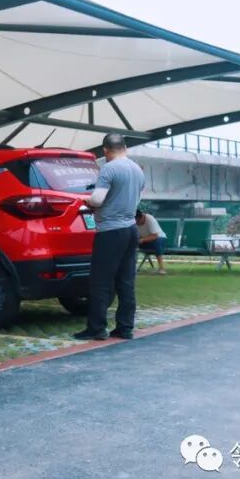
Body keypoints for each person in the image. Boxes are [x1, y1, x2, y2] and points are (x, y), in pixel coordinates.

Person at [73, 133, 145, 341]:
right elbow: (137, 199)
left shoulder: (108, 168)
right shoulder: (137, 170)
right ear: (125, 148)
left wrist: (87, 201)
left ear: (105, 150)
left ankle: (96, 328)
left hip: (110, 231)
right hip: (131, 229)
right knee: (126, 281)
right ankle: (125, 327)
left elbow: (97, 199)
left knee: (101, 282)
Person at [135, 209, 167, 275]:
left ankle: (161, 268)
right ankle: (133, 266)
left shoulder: (150, 219)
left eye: (138, 221)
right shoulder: (133, 222)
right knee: (131, 244)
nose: (137, 223)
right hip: (145, 241)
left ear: (142, 217)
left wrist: (142, 240)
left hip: (159, 238)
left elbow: (155, 236)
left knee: (157, 243)